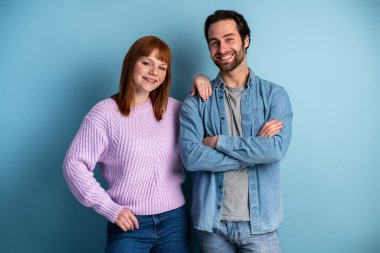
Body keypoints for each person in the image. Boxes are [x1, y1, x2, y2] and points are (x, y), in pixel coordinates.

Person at [63, 35, 206, 253]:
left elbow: (215, 123)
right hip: (129, 225)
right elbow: (74, 165)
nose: (153, 72)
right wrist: (110, 209)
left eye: (162, 67)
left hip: (175, 222)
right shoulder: (104, 114)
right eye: (146, 62)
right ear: (131, 63)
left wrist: (200, 77)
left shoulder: (177, 110)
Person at [179, 10, 293, 253]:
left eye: (229, 38)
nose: (222, 48)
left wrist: (218, 141)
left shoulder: (275, 95)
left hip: (260, 225)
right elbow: (191, 157)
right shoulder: (196, 101)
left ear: (246, 40)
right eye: (214, 42)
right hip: (212, 225)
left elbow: (274, 150)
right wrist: (253, 152)